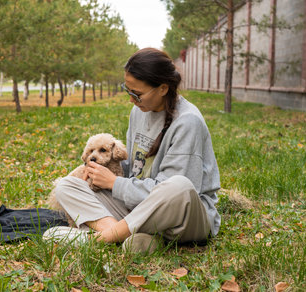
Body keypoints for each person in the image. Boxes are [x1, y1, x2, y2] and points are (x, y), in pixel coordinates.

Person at [43, 48, 221, 253]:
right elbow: (131, 167)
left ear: (163, 88)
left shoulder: (188, 122)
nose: (131, 100)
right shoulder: (139, 111)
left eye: (136, 94)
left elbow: (172, 194)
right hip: (138, 208)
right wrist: (98, 172)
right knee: (67, 185)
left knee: (179, 186)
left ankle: (102, 238)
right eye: (128, 91)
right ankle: (138, 236)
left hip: (185, 219)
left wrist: (114, 183)